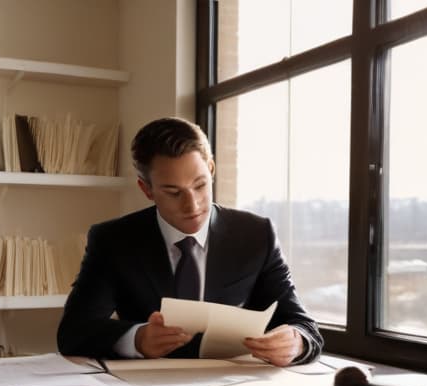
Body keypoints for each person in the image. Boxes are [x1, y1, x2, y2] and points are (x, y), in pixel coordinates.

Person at [57, 117, 323, 366]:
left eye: (200, 185)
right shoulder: (113, 241)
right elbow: (74, 332)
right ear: (146, 189)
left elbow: (303, 325)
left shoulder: (255, 235)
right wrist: (137, 339)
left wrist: (295, 343)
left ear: (211, 169)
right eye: (173, 192)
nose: (192, 205)